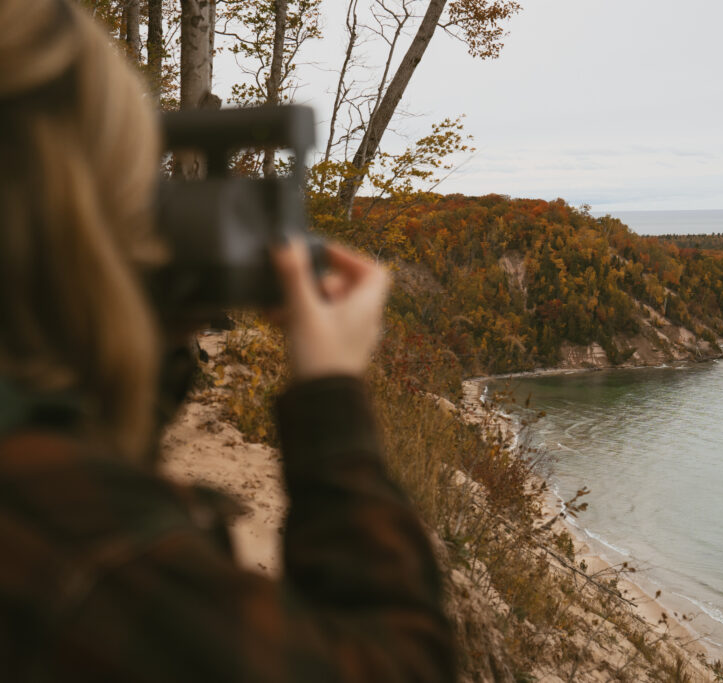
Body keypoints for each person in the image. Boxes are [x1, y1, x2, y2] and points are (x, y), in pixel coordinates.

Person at [0, 0, 454, 680]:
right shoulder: (85, 555)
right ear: (74, 217)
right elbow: (399, 662)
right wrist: (330, 396)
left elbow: (82, 455)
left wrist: (148, 332)